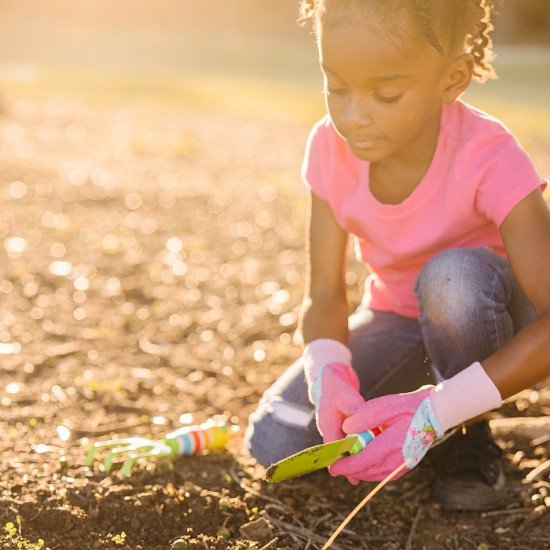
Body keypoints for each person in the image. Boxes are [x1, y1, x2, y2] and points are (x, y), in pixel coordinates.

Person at [244, 0, 550, 511]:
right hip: (396, 318)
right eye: (336, 87)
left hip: (484, 315)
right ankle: (420, 405)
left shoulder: (490, 155)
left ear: (452, 79)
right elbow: (323, 292)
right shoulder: (328, 146)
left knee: (452, 281)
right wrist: (329, 369)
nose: (352, 115)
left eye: (386, 94)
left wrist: (444, 409)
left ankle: (465, 433)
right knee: (278, 440)